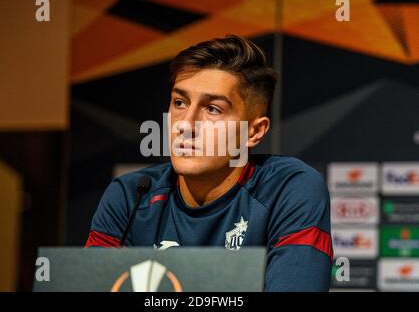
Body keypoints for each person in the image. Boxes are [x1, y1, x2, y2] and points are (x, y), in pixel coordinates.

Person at [85, 34, 332, 291]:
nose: (185, 124)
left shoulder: (288, 189)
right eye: (180, 103)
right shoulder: (130, 197)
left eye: (213, 109)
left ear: (254, 132)